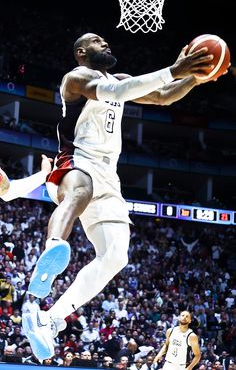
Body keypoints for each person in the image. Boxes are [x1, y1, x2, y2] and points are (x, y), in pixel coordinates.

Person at [22, 32, 219, 361]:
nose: (106, 43)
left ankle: (48, 319)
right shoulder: (77, 77)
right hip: (77, 161)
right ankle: (54, 248)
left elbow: (163, 96)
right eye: (98, 41)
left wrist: (195, 77)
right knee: (80, 191)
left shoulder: (122, 79)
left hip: (108, 177)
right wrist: (175, 68)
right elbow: (116, 92)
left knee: (116, 256)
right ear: (82, 52)